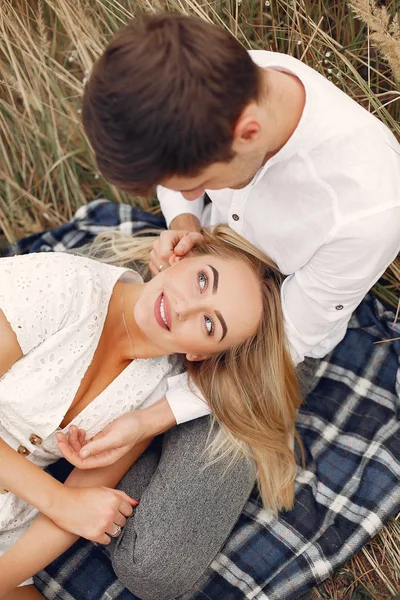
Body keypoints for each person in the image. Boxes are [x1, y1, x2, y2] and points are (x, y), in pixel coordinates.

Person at [58, 11, 400, 600]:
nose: (185, 191)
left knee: (153, 567)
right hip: (187, 277)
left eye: (194, 181)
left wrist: (155, 416)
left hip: (267, 343)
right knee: (48, 371)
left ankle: (117, 452)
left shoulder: (369, 207)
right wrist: (187, 218)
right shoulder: (209, 83)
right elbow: (177, 187)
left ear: (246, 132)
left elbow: (294, 338)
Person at [0, 225, 301, 599]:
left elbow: (81, 505)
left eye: (209, 324)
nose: (184, 307)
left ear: (200, 354)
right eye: (202, 280)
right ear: (182, 256)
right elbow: (70, 506)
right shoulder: (62, 286)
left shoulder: (158, 392)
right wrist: (60, 502)